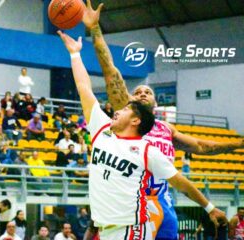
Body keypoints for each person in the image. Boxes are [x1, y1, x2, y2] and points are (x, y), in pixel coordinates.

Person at [81, 1, 244, 238]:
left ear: (156, 104)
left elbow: (201, 146)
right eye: (137, 92)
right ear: (130, 102)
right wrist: (95, 30)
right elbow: (109, 68)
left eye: (148, 92)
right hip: (127, 201)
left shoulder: (166, 128)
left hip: (162, 201)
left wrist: (239, 144)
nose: (143, 93)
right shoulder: (127, 118)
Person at [57, 29, 227, 239]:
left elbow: (181, 183)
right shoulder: (102, 128)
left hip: (132, 229)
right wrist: (75, 54)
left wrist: (210, 208)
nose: (117, 110)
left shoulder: (147, 151)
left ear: (136, 120)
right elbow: (84, 87)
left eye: (126, 109)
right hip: (106, 229)